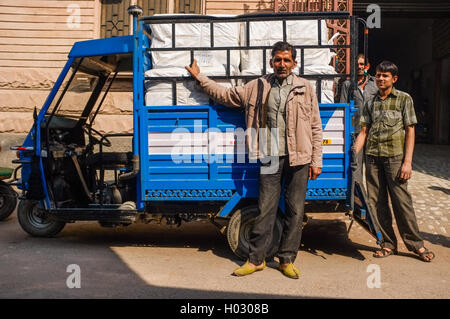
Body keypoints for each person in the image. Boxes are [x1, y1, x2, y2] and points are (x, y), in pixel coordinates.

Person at [185, 41, 323, 279]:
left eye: (286, 60)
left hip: (299, 155)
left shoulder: (305, 87)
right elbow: (225, 95)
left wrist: (316, 160)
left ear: (294, 63)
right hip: (269, 154)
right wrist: (200, 78)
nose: (282, 64)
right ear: (271, 62)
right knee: (265, 208)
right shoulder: (257, 86)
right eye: (278, 60)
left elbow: (315, 126)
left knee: (295, 210)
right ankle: (256, 259)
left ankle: (286, 260)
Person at [353, 61, 435, 262]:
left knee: (402, 203)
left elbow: (410, 131)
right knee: (377, 203)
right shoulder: (370, 102)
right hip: (372, 159)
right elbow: (364, 131)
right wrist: (353, 154)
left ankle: (416, 245)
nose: (380, 79)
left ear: (394, 79)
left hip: (395, 159)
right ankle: (388, 244)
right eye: (379, 75)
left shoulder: (403, 99)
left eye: (385, 76)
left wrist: (407, 162)